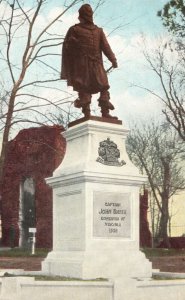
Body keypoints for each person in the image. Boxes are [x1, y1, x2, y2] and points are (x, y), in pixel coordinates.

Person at [61, 3, 118, 118]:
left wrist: (113, 59)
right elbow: (68, 49)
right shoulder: (74, 30)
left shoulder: (98, 31)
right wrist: (72, 44)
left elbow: (105, 47)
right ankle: (86, 112)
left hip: (96, 64)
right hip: (82, 65)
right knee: (84, 87)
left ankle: (105, 112)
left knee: (104, 86)